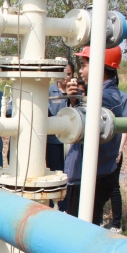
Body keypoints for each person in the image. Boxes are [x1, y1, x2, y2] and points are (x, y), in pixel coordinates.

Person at [55, 46, 124, 253]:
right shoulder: (107, 94)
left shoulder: (104, 97)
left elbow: (80, 126)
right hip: (93, 172)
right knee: (84, 229)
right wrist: (76, 100)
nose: (81, 70)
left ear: (100, 67)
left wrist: (76, 101)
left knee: (85, 234)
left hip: (91, 175)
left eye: (84, 65)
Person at [47, 63, 76, 211]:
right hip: (53, 141)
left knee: (69, 173)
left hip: (71, 141)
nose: (65, 77)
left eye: (69, 74)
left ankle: (66, 205)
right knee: (55, 172)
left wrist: (72, 98)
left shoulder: (76, 91)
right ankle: (53, 204)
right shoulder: (48, 91)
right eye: (62, 73)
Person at [108, 89, 127, 233]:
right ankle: (96, 219)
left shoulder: (124, 97)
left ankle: (116, 224)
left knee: (113, 187)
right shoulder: (94, 94)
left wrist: (119, 149)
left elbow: (126, 126)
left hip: (114, 148)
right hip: (98, 149)